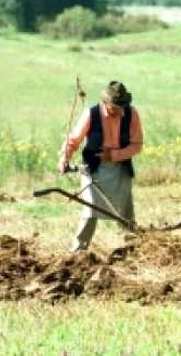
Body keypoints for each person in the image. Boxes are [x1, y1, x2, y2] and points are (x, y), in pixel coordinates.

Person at [57, 81, 144, 252]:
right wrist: (64, 158)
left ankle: (133, 248)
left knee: (125, 213)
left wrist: (113, 155)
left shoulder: (132, 114)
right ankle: (78, 252)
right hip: (93, 169)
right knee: (90, 211)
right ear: (105, 103)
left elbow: (137, 145)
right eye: (115, 107)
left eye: (122, 106)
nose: (119, 110)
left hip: (120, 169)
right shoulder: (91, 114)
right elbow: (73, 140)